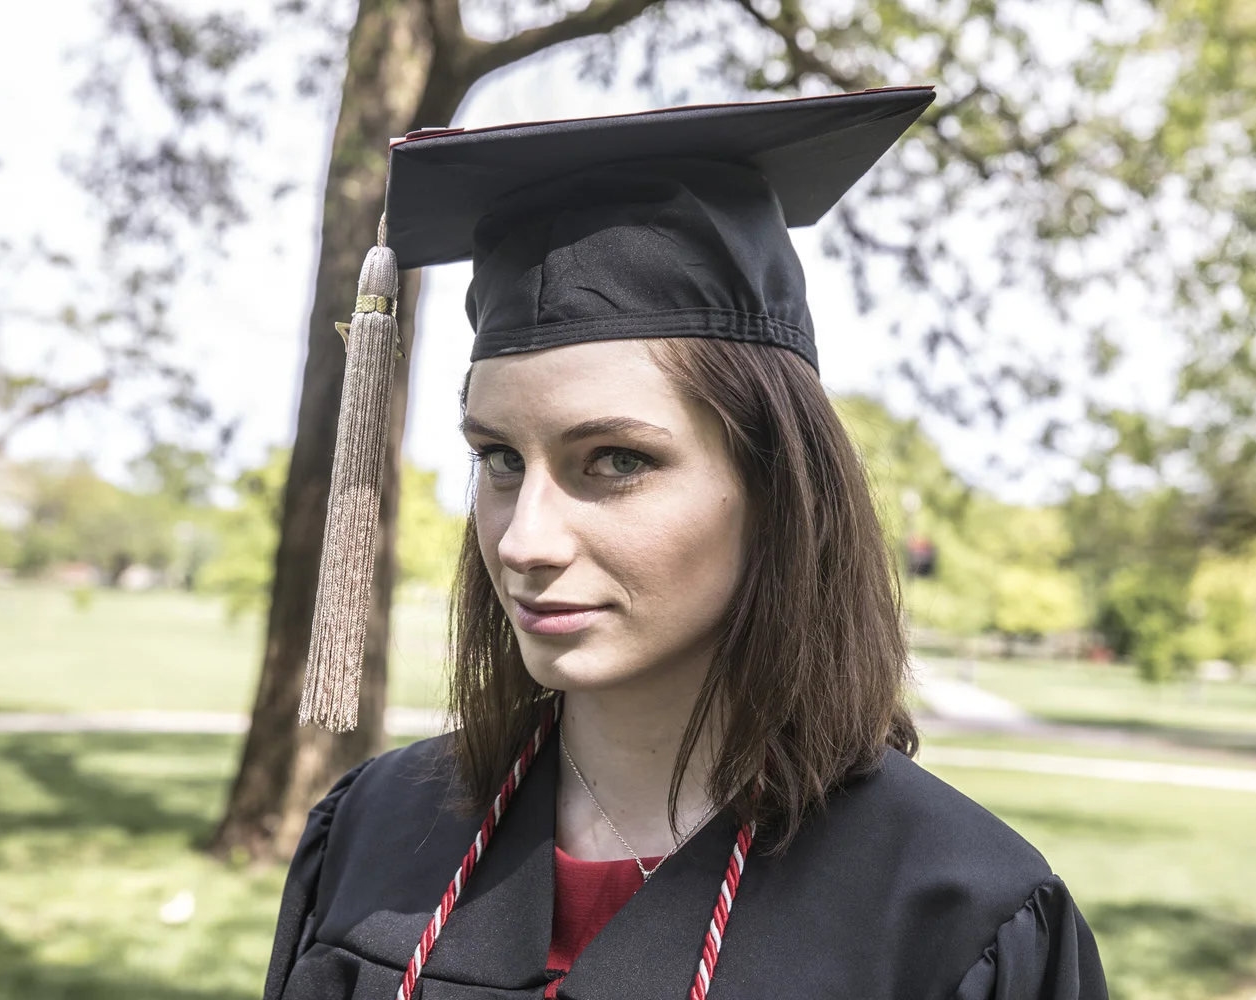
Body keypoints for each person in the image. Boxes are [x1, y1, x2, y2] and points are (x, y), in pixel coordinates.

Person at [265, 88, 1109, 1000]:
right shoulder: (375, 833)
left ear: (778, 487)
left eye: (616, 460)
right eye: (500, 458)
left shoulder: (949, 916)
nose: (524, 540)